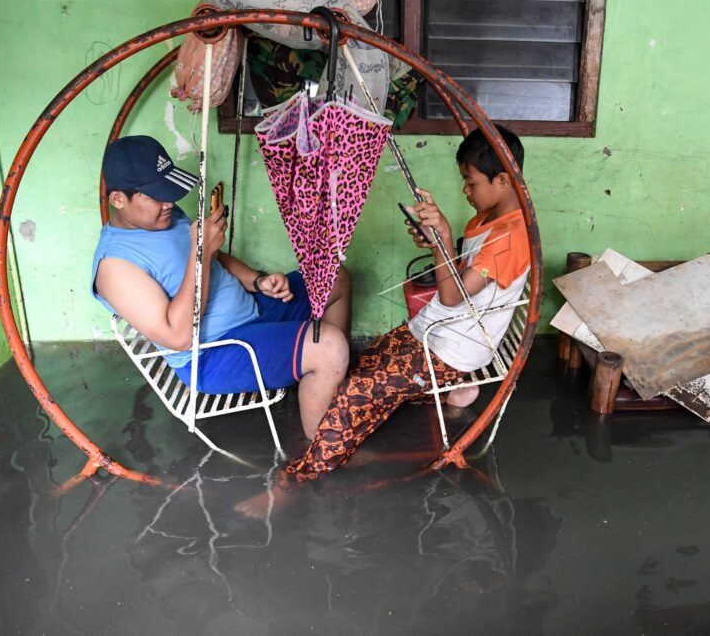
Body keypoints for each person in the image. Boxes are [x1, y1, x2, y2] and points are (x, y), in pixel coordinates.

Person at [284, 125, 530, 480]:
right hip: (439, 329)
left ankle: (303, 474)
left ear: (503, 181)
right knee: (365, 363)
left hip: (455, 348)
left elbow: (452, 295)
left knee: (356, 391)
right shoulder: (488, 220)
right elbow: (462, 277)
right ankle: (453, 391)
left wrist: (442, 238)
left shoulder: (511, 238)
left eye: (471, 182)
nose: (465, 190)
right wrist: (436, 242)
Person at [91, 135, 350, 439]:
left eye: (168, 192)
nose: (168, 203)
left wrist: (257, 280)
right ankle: (323, 449)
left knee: (334, 277)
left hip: (252, 309)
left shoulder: (162, 217)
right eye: (156, 196)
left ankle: (327, 386)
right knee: (328, 347)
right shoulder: (115, 267)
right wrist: (200, 253)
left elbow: (215, 259)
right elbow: (178, 336)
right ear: (118, 200)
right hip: (215, 353)